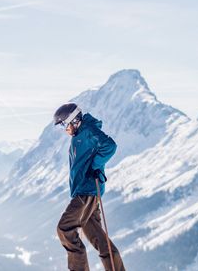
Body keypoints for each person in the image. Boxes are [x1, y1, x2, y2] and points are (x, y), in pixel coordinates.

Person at [54, 103, 125, 271]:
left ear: (74, 120)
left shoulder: (88, 131)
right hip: (86, 191)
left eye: (64, 124)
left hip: (87, 192)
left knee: (65, 229)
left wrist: (95, 165)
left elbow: (110, 146)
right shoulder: (80, 134)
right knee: (98, 237)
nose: (64, 129)